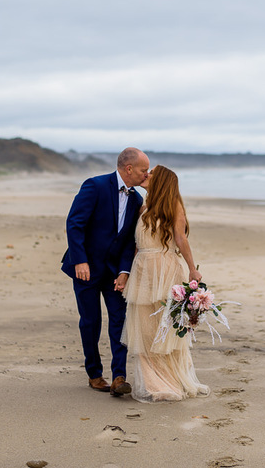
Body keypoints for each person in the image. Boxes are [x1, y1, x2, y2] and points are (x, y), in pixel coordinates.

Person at [61, 147, 150, 396]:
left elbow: (129, 241)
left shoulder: (136, 200)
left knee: (119, 321)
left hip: (114, 272)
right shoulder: (95, 185)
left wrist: (124, 271)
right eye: (144, 170)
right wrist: (80, 261)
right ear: (129, 168)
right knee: (90, 322)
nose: (146, 174)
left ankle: (119, 377)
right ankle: (95, 374)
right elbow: (74, 224)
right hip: (85, 269)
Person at [121, 165, 211, 403]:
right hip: (142, 269)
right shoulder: (143, 206)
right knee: (144, 327)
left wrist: (192, 268)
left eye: (151, 173)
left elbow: (181, 238)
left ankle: (170, 380)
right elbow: (137, 244)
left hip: (165, 268)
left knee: (166, 327)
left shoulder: (173, 205)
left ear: (160, 180)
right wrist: (125, 272)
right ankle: (153, 383)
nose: (146, 175)